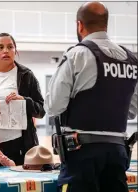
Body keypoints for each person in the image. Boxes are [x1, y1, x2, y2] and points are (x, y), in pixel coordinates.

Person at [44, 2, 137, 192]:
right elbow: (131, 111)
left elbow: (53, 106)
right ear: (106, 24)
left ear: (80, 25)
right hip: (118, 152)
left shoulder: (77, 55)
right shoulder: (131, 60)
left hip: (82, 154)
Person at [0, 33, 45, 166]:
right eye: (0, 47)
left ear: (15, 51)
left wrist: (24, 100)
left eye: (10, 47)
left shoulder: (26, 76)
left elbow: (41, 110)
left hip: (16, 145)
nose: (5, 50)